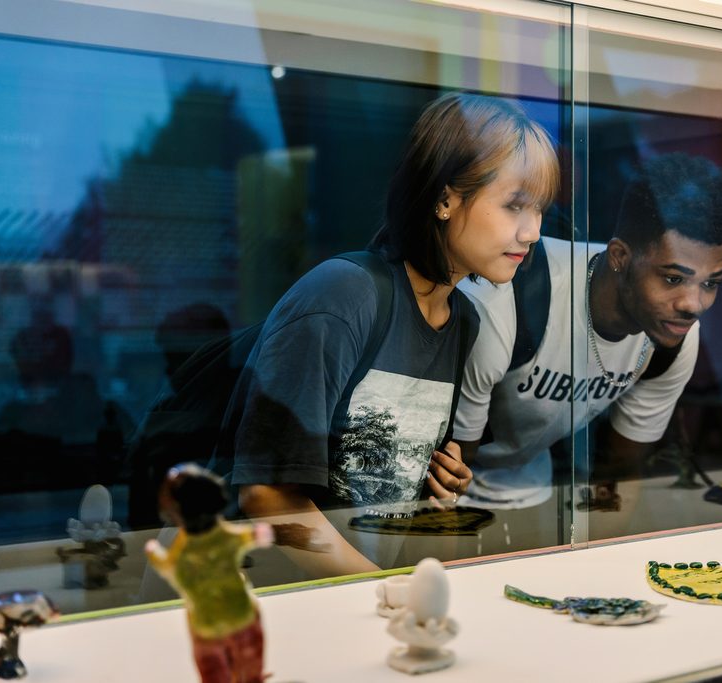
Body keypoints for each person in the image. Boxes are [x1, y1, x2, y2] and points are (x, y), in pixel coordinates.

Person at [218, 92, 560, 577]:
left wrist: (437, 474)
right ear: (444, 198)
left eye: (539, 209)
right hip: (259, 603)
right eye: (514, 206)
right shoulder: (344, 295)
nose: (533, 232)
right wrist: (374, 587)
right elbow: (266, 493)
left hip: (354, 605)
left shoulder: (463, 320)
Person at [454, 152, 722, 509]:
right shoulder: (509, 298)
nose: (692, 304)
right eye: (673, 278)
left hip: (533, 490)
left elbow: (619, 475)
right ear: (620, 256)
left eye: (711, 283)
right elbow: (449, 471)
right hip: (442, 493)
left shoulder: (674, 338)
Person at [145, 464, 272, 683]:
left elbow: (168, 567)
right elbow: (247, 537)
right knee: (249, 663)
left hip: (206, 625)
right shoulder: (227, 537)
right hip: (241, 614)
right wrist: (257, 535)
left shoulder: (183, 552)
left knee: (212, 670)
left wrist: (154, 553)